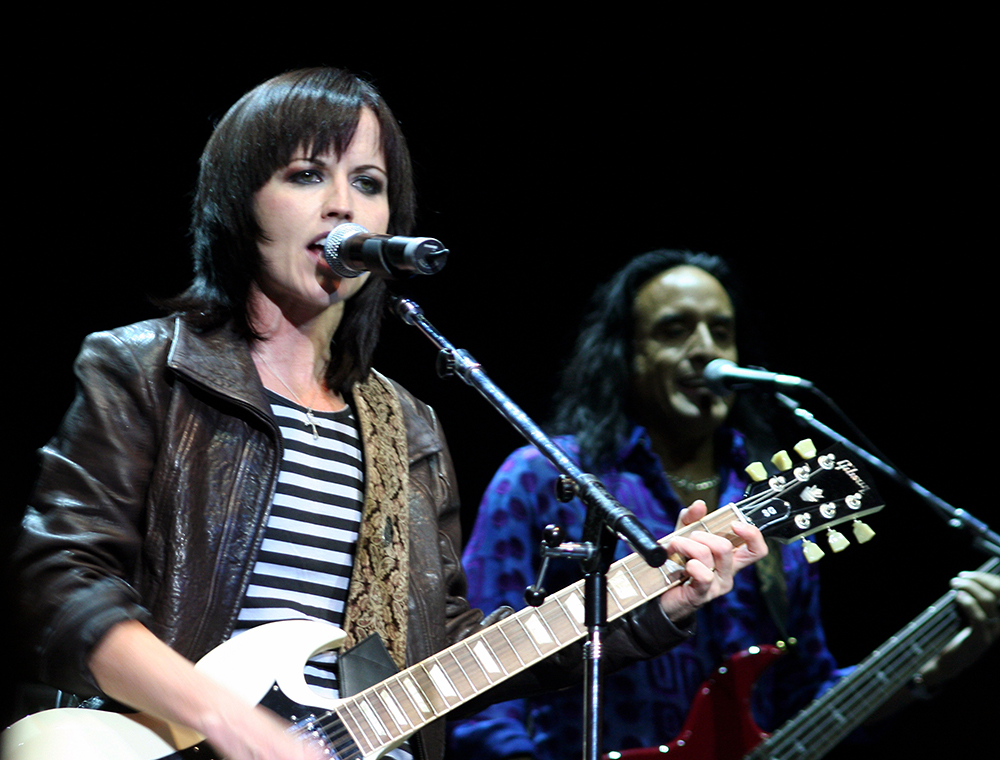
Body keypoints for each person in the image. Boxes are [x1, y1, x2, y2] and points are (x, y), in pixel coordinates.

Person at [10, 72, 768, 760]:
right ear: (239, 203)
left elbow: (446, 648)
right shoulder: (144, 368)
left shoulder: (408, 425)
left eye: (367, 183)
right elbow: (63, 582)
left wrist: (648, 603)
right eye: (307, 174)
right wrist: (234, 724)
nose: (343, 204)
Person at [447, 249, 1000, 760]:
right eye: (674, 330)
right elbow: (478, 672)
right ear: (626, 356)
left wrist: (931, 668)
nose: (706, 349)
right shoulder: (549, 478)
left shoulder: (774, 501)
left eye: (721, 331)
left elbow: (805, 696)